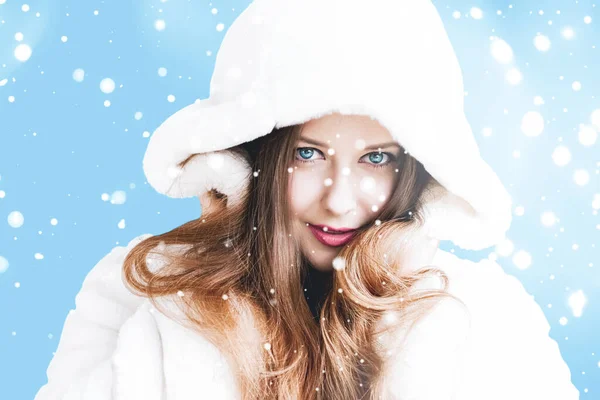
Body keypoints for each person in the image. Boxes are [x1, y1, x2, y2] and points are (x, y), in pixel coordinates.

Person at [35, 0, 580, 399]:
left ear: (416, 169)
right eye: (308, 154)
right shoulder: (141, 297)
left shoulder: (482, 322)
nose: (340, 200)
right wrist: (207, 299)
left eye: (376, 158)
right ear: (250, 159)